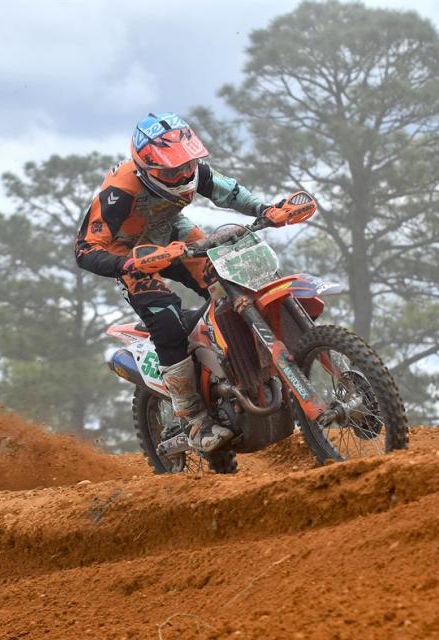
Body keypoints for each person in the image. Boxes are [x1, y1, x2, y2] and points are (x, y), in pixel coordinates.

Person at [74, 112, 290, 453]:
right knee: (167, 322)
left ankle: (247, 372)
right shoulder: (120, 192)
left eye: (187, 165)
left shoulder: (193, 170)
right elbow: (85, 250)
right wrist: (128, 264)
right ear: (147, 168)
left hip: (173, 233)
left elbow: (229, 192)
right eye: (172, 171)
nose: (183, 175)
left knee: (233, 284)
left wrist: (265, 209)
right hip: (131, 253)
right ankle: (193, 418)